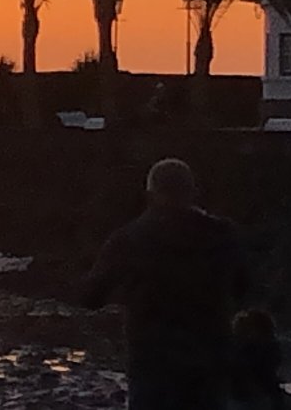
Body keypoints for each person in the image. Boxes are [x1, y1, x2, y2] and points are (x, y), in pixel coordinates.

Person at [81, 158, 249, 410]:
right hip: (209, 360)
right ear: (193, 192)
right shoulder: (224, 235)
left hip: (152, 362)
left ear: (150, 195)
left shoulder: (128, 238)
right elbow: (243, 287)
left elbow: (90, 297)